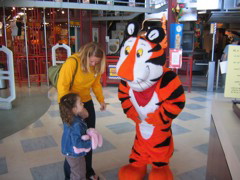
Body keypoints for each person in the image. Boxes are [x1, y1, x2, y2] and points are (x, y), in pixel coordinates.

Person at [57, 42, 107, 180]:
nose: (93, 64)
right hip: (71, 105)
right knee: (73, 143)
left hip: (85, 103)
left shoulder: (96, 66)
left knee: (89, 137)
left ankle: (88, 171)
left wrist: (101, 100)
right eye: (91, 61)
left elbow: (96, 84)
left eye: (96, 62)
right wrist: (70, 111)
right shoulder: (72, 62)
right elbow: (62, 87)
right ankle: (70, 176)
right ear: (85, 56)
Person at [60, 93, 91, 180]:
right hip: (74, 153)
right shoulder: (76, 124)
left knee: (77, 171)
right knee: (79, 174)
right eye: (80, 103)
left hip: (69, 150)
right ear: (74, 109)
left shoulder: (70, 117)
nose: (83, 104)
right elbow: (77, 143)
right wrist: (90, 142)